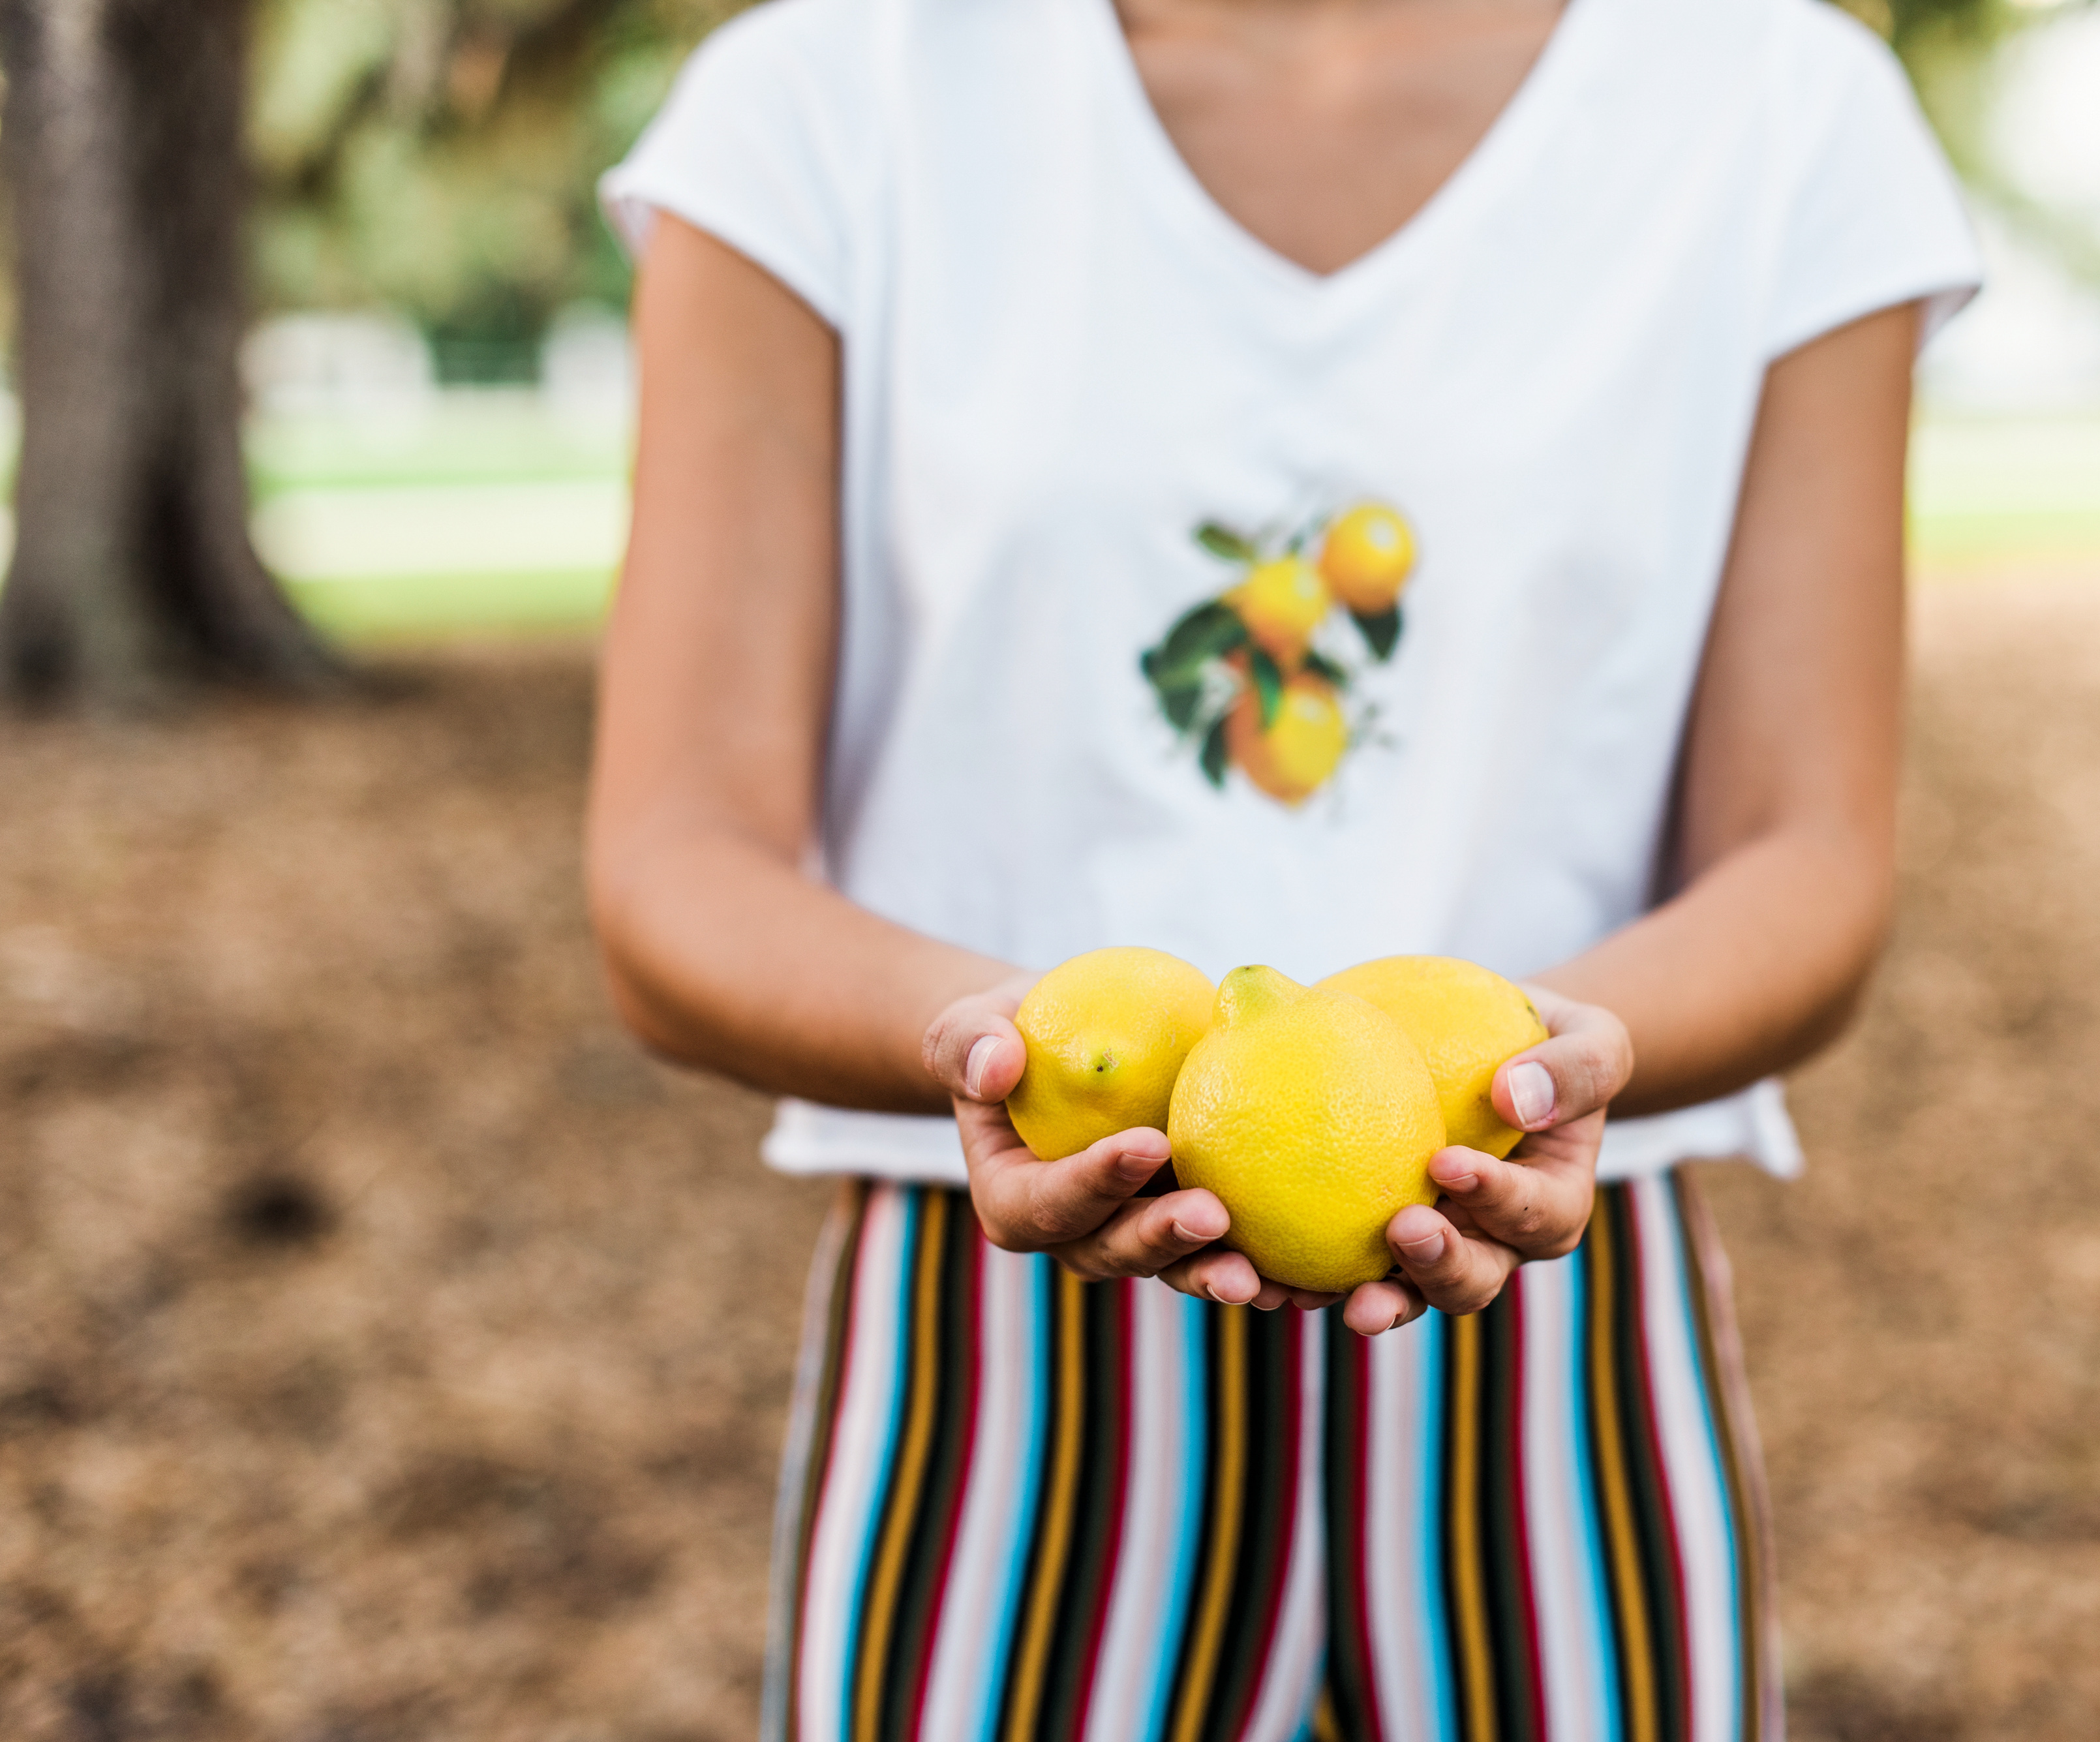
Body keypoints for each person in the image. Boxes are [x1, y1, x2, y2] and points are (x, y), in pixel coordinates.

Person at [588, 0, 1977, 1732]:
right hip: (997, 1336)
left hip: (1559, 1317)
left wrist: (1551, 1067)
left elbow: (1814, 857)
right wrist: (991, 1058)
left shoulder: (1776, 107)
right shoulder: (826, 97)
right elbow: (673, 872)